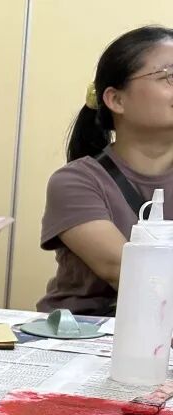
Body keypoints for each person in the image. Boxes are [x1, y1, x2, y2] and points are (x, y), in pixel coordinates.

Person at [38, 26, 173, 316]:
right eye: (170, 76)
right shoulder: (76, 182)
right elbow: (126, 271)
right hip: (86, 333)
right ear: (116, 100)